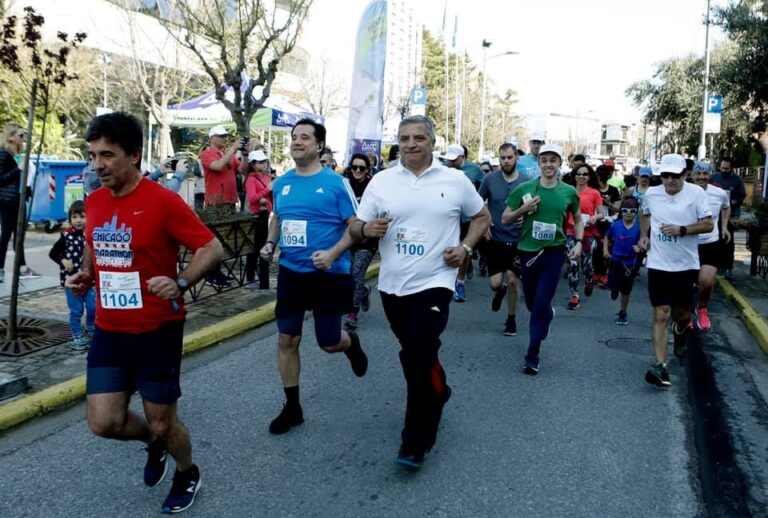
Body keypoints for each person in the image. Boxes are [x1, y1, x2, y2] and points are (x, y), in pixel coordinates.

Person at [66, 112, 224, 514]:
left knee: (163, 421)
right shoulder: (96, 200)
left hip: (157, 328)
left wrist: (182, 282)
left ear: (134, 155)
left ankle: (187, 470)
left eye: (107, 155)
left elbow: (212, 247)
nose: (97, 165)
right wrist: (87, 272)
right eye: (93, 155)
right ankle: (154, 445)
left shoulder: (163, 202)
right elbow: (95, 241)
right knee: (104, 422)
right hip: (109, 329)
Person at [352, 114, 489, 469]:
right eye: (404, 138)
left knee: (416, 353)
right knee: (418, 353)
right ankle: (439, 390)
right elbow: (354, 227)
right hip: (392, 286)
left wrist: (467, 248)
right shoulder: (382, 181)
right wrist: (367, 227)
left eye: (418, 138)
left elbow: (481, 217)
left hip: (435, 282)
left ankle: (415, 440)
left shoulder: (455, 180)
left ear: (431, 142)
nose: (410, 144)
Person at [259, 118, 368, 436]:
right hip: (292, 272)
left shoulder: (335, 183)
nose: (297, 141)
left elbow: (356, 227)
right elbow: (278, 218)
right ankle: (292, 407)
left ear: (319, 146)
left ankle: (350, 344)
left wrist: (333, 253)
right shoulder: (281, 183)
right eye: (294, 137)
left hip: (329, 275)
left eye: (305, 137)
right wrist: (270, 243)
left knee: (328, 342)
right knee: (287, 338)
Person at [502, 143, 583, 375]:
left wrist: (578, 241)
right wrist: (523, 209)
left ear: (559, 164)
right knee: (531, 303)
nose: (548, 164)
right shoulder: (526, 188)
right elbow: (505, 218)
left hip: (554, 252)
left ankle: (532, 354)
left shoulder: (568, 192)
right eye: (544, 160)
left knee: (538, 305)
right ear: (539, 163)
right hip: (528, 252)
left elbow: (577, 218)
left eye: (553, 160)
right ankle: (547, 313)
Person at [639, 154, 713, 388]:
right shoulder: (652, 193)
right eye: (665, 176)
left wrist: (682, 229)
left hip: (686, 265)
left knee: (681, 314)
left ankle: (680, 329)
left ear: (685, 175)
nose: (670, 181)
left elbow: (708, 224)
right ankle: (661, 367)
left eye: (675, 176)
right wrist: (643, 235)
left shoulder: (696, 194)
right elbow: (644, 213)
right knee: (661, 312)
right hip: (659, 263)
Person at [478, 143, 531, 336]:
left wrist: (526, 217)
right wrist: (484, 225)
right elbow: (478, 204)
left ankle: (511, 319)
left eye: (509, 157)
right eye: (502, 158)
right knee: (495, 283)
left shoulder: (527, 182)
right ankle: (499, 292)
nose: (506, 161)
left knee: (513, 280)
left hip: (518, 240)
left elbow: (532, 208)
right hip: (495, 238)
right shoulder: (489, 179)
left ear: (516, 157)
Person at [49, 200, 95, 351]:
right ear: (70, 219)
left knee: (93, 307)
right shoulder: (66, 236)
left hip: (90, 281)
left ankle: (90, 327)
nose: (79, 220)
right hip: (72, 282)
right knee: (76, 311)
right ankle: (76, 336)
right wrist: (63, 260)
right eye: (75, 217)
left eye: (82, 216)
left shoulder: (91, 234)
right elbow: (53, 253)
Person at [691, 160, 730, 330]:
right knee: (686, 283)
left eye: (705, 174)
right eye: (698, 174)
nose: (701, 177)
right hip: (688, 244)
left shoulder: (719, 193)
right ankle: (684, 314)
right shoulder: (684, 192)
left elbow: (726, 207)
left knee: (706, 282)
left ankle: (702, 307)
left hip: (710, 243)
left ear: (710, 175)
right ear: (692, 175)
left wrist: (724, 226)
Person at [0, 122, 41, 282]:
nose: (24, 139)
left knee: (19, 235)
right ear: (11, 137)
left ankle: (22, 268)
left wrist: (27, 189)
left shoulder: (16, 154)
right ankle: (2, 269)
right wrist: (18, 169)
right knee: (7, 234)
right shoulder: (4, 154)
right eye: (21, 135)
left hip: (18, 198)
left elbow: (21, 178)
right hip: (7, 200)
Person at [343, 153, 377, 330]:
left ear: (367, 170)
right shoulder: (343, 185)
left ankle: (352, 313)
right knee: (348, 275)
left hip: (367, 240)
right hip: (346, 237)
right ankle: (362, 291)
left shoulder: (374, 186)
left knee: (357, 273)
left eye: (361, 168)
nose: (357, 171)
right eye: (354, 167)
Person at [565, 164, 604, 310]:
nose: (581, 176)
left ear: (589, 177)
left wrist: (595, 217)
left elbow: (601, 213)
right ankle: (575, 295)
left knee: (586, 265)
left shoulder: (594, 193)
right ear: (574, 175)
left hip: (588, 232)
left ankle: (589, 278)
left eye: (585, 174)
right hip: (570, 231)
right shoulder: (568, 191)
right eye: (579, 174)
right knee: (573, 263)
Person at [603, 197, 643, 325]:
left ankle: (623, 311)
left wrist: (641, 248)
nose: (628, 213)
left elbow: (646, 242)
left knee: (626, 290)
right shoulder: (616, 224)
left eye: (632, 211)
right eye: (625, 210)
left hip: (630, 263)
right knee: (613, 284)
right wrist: (605, 251)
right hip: (615, 259)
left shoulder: (639, 227)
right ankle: (614, 289)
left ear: (636, 212)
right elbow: (607, 237)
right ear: (621, 211)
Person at [242, 149, 273, 289]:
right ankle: (259, 281)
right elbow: (253, 198)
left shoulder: (267, 177)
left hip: (268, 215)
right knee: (258, 248)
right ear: (253, 164)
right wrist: (267, 190)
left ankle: (257, 279)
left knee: (262, 247)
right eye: (260, 162)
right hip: (257, 217)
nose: (264, 164)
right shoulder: (250, 179)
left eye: (264, 161)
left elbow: (267, 196)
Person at [711, 157, 745, 279]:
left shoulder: (737, 180)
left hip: (731, 214)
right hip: (716, 213)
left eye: (727, 168)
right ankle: (718, 265)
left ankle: (728, 267)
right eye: (722, 168)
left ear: (732, 169)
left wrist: (730, 203)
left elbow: (742, 196)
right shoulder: (714, 177)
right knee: (716, 240)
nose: (724, 170)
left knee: (728, 241)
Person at [200, 125, 243, 208]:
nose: (225, 138)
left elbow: (242, 170)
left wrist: (245, 155)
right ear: (212, 138)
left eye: (226, 136)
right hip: (215, 202)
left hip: (231, 200)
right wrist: (233, 149)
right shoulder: (206, 154)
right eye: (221, 136)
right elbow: (218, 166)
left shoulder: (228, 153)